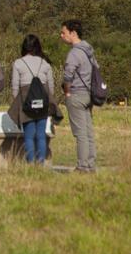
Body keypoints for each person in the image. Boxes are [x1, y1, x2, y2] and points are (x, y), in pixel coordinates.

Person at [7, 34, 55, 165]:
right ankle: (40, 163)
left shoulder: (18, 63)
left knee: (28, 136)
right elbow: (51, 88)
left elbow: (15, 87)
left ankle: (30, 164)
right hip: (43, 102)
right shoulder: (45, 63)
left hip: (26, 103)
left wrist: (16, 104)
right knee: (40, 135)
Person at [60, 19, 98, 173]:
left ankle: (82, 166)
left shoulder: (74, 53)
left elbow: (68, 75)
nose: (61, 35)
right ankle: (90, 164)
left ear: (73, 33)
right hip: (88, 94)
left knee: (80, 133)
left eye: (64, 32)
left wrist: (67, 92)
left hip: (76, 94)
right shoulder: (88, 50)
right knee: (88, 131)